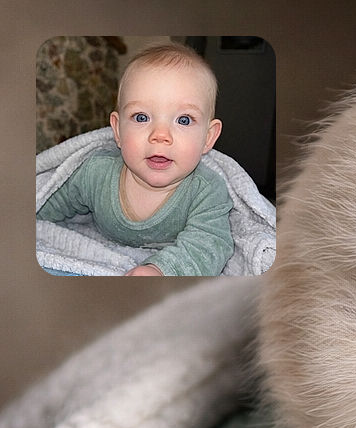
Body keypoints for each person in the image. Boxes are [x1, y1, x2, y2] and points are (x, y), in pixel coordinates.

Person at [37, 43, 234, 276]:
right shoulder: (95, 173)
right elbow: (46, 202)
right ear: (118, 130)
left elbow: (209, 246)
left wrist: (161, 269)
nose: (160, 135)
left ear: (208, 138)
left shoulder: (207, 190)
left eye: (183, 120)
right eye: (141, 117)